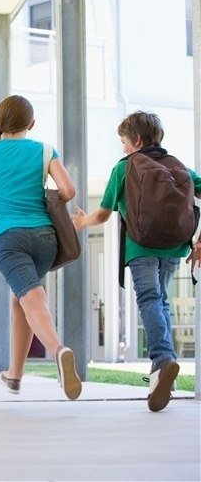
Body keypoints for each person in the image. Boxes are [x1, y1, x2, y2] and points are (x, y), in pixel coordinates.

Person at [72, 111, 201, 412]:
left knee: (149, 299)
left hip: (140, 246)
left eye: (123, 141)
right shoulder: (179, 167)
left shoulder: (125, 167)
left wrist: (81, 222)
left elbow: (102, 214)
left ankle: (163, 360)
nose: (123, 147)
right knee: (161, 301)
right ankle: (161, 372)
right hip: (174, 247)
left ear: (137, 140)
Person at [0, 95, 82, 401]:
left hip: (8, 238)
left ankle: (58, 351)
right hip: (45, 238)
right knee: (21, 300)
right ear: (31, 124)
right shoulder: (44, 150)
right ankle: (14, 376)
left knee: (31, 298)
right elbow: (68, 190)